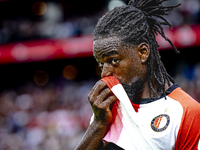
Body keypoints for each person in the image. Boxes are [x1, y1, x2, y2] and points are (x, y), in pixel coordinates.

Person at [75, 0, 200, 149]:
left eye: (114, 60)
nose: (105, 73)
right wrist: (98, 124)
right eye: (102, 64)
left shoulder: (186, 111)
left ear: (143, 52)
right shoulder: (107, 109)